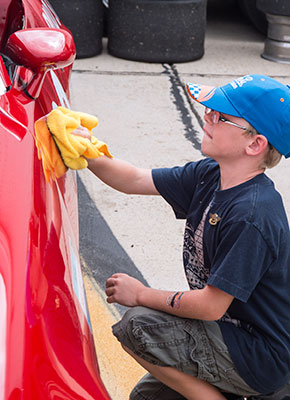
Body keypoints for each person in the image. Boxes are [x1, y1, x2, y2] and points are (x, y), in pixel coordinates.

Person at [74, 74, 290, 400]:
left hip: (259, 358)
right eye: (209, 110)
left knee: (139, 325)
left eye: (220, 116)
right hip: (227, 337)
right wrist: (83, 148)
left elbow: (211, 306)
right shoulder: (209, 175)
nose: (208, 117)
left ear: (255, 144)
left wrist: (141, 293)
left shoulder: (252, 215)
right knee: (147, 398)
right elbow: (133, 179)